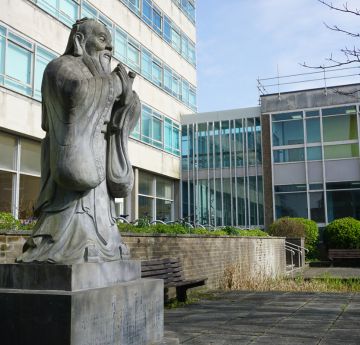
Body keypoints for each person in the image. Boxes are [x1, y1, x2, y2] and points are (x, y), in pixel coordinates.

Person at [17, 18, 140, 264]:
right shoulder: (60, 67)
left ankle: (106, 242)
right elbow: (77, 90)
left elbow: (126, 106)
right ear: (80, 40)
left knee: (102, 219)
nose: (110, 49)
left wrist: (127, 98)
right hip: (70, 171)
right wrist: (114, 85)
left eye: (111, 44)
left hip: (100, 176)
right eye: (103, 40)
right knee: (67, 224)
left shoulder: (102, 77)